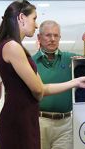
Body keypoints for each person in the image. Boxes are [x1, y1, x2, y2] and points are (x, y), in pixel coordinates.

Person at [0, 0, 85, 149]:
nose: (36, 24)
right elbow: (39, 90)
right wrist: (38, 92)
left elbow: (43, 88)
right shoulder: (12, 46)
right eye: (34, 18)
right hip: (19, 117)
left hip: (25, 115)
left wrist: (76, 82)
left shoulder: (14, 46)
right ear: (21, 18)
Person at [32, 20, 77, 149]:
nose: (52, 39)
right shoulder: (30, 62)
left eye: (56, 35)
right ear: (39, 37)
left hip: (65, 124)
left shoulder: (71, 60)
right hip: (39, 122)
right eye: (48, 35)